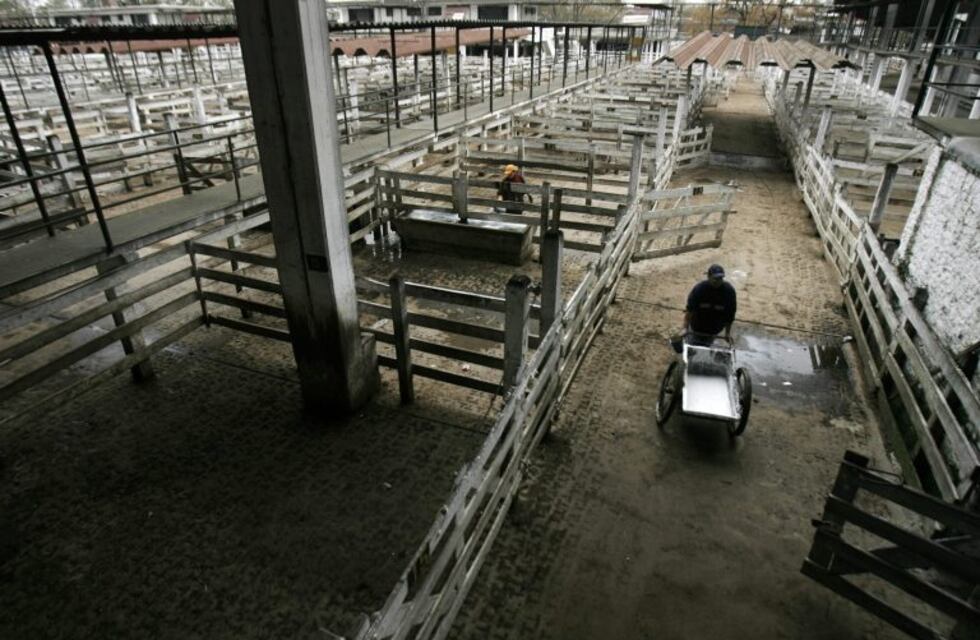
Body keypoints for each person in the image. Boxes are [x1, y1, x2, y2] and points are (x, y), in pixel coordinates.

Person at [680, 264, 737, 348]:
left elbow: (730, 315)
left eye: (720, 278)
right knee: (692, 346)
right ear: (708, 277)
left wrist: (727, 333)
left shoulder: (729, 292)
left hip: (715, 328)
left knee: (706, 346)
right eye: (715, 279)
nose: (718, 281)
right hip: (697, 325)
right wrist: (685, 328)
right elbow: (690, 310)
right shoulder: (699, 289)